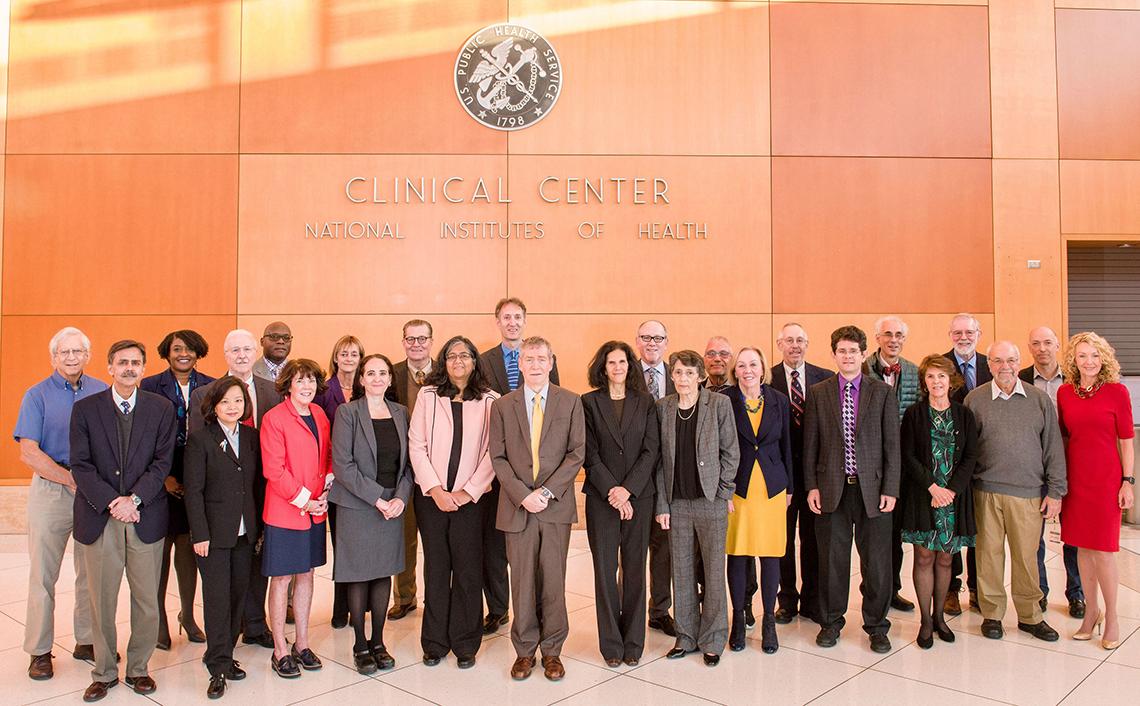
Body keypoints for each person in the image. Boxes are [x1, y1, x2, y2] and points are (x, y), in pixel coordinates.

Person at [70, 340, 177, 702]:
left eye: (135, 362)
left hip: (145, 515)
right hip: (100, 517)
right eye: (122, 362)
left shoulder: (161, 408)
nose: (129, 368)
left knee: (146, 599)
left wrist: (134, 500)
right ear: (110, 368)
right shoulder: (85, 409)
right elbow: (81, 464)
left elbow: (162, 462)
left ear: (143, 368)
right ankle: (103, 671)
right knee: (101, 600)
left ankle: (138, 668)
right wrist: (113, 502)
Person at [15, 327, 108, 681]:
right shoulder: (36, 395)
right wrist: (69, 479)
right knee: (43, 574)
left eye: (77, 351)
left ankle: (87, 640)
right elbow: (28, 451)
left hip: (92, 491)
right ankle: (39, 650)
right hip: (51, 489)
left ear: (88, 355)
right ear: (54, 357)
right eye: (64, 352)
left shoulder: (102, 391)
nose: (71, 357)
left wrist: (92, 484)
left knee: (91, 572)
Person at [489, 336, 584, 682]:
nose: (535, 364)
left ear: (551, 362)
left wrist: (545, 491)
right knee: (523, 581)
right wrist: (522, 495)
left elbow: (576, 453)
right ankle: (525, 650)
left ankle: (553, 650)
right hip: (518, 507)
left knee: (554, 582)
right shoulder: (502, 406)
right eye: (528, 359)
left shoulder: (571, 402)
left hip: (554, 506)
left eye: (541, 358)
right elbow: (498, 457)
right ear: (520, 363)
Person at [804, 326, 900, 654]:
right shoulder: (819, 392)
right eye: (842, 351)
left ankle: (877, 625)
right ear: (834, 355)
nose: (847, 356)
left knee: (877, 563)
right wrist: (812, 486)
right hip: (832, 489)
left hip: (873, 490)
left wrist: (891, 488)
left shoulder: (882, 392)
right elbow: (810, 444)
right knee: (832, 561)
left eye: (853, 351)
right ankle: (831, 622)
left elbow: (892, 445)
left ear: (863, 354)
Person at [965, 341, 1065, 643]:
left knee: (1027, 558)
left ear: (1019, 363)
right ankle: (992, 614)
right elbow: (966, 451)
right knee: (988, 556)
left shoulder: (1038, 400)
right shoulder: (975, 399)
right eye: (997, 361)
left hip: (1028, 494)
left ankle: (1030, 616)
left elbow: (1053, 447)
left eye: (1010, 360)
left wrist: (1056, 491)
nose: (1004, 367)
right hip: (985, 492)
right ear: (989, 365)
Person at [189, 329, 282, 650]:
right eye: (234, 350)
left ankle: (255, 624)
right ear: (225, 354)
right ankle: (226, 638)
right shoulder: (205, 394)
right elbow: (198, 450)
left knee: (255, 565)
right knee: (223, 579)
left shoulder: (272, 390)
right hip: (221, 499)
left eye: (246, 349)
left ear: (256, 352)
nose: (241, 355)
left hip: (262, 491)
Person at [409, 336, 498, 669]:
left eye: (465, 355)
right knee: (436, 568)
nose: (458, 360)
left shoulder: (491, 400)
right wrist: (435, 490)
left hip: (471, 501)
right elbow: (416, 445)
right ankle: (434, 642)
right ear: (443, 362)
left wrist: (466, 493)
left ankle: (465, 643)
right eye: (451, 356)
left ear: (475, 361)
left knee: (467, 570)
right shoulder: (428, 396)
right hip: (431, 499)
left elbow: (493, 452)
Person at [478, 298, 560, 635]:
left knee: (536, 551)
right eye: (506, 317)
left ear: (525, 320)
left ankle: (537, 611)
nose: (512, 322)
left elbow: (556, 413)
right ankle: (499, 608)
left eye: (517, 317)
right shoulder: (484, 361)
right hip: (498, 468)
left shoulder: (542, 358)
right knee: (495, 545)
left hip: (537, 475)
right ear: (497, 321)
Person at [330, 354, 413, 673]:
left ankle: (378, 641)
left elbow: (409, 464)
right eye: (371, 373)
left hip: (393, 505)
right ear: (361, 379)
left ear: (390, 379)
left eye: (383, 373)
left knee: (382, 572)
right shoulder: (348, 412)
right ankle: (360, 644)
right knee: (359, 574)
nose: (377, 378)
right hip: (358, 505)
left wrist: (400, 498)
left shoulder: (401, 413)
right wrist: (378, 499)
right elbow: (343, 466)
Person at [655, 350, 738, 667]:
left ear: (701, 376)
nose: (683, 378)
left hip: (710, 501)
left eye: (690, 373)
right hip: (677, 503)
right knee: (682, 571)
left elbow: (731, 452)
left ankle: (713, 639)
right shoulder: (663, 408)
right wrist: (663, 503)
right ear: (671, 375)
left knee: (714, 572)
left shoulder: (719, 404)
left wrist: (723, 492)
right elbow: (659, 462)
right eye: (678, 372)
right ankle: (686, 636)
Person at [581, 341, 660, 667]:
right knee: (604, 571)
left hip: (639, 497)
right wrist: (613, 491)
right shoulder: (588, 402)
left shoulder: (646, 401)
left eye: (623, 362)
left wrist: (627, 490)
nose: (617, 367)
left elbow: (651, 451)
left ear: (630, 366)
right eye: (611, 362)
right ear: (603, 366)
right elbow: (588, 453)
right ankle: (611, 645)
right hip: (602, 499)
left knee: (635, 570)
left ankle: (633, 643)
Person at [183, 377, 262, 699]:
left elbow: (257, 485)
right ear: (214, 406)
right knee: (217, 600)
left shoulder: (252, 437)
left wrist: (260, 529)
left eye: (238, 400)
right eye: (226, 401)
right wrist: (199, 534)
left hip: (245, 533)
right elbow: (193, 492)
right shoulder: (200, 440)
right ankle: (217, 666)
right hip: (213, 535)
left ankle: (224, 653)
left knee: (237, 596)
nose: (233, 407)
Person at [1057, 332, 1135, 650]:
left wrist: (1127, 481)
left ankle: (1112, 616)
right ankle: (1091, 612)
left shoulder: (1117, 392)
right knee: (1082, 550)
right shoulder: (1065, 393)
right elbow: (1064, 438)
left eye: (1094, 355)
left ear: (1103, 359)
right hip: (1076, 481)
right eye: (1082, 356)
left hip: (1106, 481)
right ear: (1073, 361)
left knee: (1103, 551)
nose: (1088, 361)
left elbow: (1126, 441)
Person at [899, 355, 979, 649]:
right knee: (924, 557)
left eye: (941, 376)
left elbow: (970, 456)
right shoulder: (914, 414)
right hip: (924, 495)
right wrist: (933, 488)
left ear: (951, 380)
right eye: (931, 376)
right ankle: (924, 621)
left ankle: (939, 617)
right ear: (924, 381)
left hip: (953, 499)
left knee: (946, 558)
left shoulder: (964, 415)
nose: (936, 382)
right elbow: (908, 456)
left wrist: (951, 491)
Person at [141, 329, 214, 650]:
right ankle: (159, 620)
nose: (184, 354)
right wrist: (163, 478)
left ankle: (188, 615)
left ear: (199, 353)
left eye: (190, 349)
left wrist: (198, 481)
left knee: (188, 551)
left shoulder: (211, 385)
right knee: (160, 553)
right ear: (166, 353)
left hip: (196, 476)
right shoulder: (149, 386)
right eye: (177, 349)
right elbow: (143, 437)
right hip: (159, 475)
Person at [259, 359, 332, 678]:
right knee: (282, 579)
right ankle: (280, 649)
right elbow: (274, 470)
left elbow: (328, 456)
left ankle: (302, 643)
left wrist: (325, 492)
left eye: (311, 380)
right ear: (288, 384)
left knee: (306, 575)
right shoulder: (274, 418)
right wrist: (306, 500)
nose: (307, 386)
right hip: (286, 512)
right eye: (300, 380)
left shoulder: (319, 414)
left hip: (315, 511)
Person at [722, 347, 792, 655]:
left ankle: (769, 623)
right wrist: (722, 490)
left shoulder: (779, 400)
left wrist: (790, 488)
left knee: (770, 555)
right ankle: (738, 619)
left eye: (753, 364)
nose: (748, 370)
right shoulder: (724, 400)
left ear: (763, 369)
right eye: (741, 365)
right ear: (734, 371)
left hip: (772, 488)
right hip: (737, 489)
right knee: (738, 554)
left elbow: (788, 445)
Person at [1021, 326, 1085, 618]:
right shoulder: (1021, 379)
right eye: (1036, 343)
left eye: (1048, 342)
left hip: (1073, 465)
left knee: (1074, 535)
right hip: (1034, 467)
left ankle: (1077, 593)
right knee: (1034, 536)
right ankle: (1040, 592)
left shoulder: (1076, 379)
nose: (1042, 348)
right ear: (1030, 348)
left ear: (1058, 345)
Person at [770, 323, 831, 625]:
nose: (795, 345)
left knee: (813, 539)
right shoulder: (768, 378)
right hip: (780, 473)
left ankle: (812, 599)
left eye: (800, 340)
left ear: (807, 344)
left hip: (815, 474)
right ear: (779, 344)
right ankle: (787, 600)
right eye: (789, 340)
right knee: (782, 539)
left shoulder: (826, 377)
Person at [866, 316, 919, 613]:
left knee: (895, 533)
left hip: (902, 466)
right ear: (877, 338)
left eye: (899, 334)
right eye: (888, 334)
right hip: (870, 464)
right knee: (873, 535)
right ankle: (873, 590)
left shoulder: (913, 371)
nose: (893, 339)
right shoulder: (863, 369)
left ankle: (892, 590)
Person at [942, 312, 992, 615]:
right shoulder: (941, 366)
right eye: (958, 332)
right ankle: (951, 588)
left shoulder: (992, 364)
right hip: (950, 461)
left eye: (969, 332)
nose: (964, 337)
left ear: (978, 334)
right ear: (950, 335)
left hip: (985, 460)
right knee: (952, 526)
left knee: (978, 530)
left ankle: (977, 588)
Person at [313, 334, 364, 629]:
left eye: (354, 354)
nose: (348, 359)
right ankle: (340, 607)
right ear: (335, 357)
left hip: (363, 477)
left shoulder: (366, 388)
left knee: (358, 545)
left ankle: (359, 604)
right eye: (343, 353)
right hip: (333, 477)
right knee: (340, 544)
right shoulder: (323, 390)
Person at [386, 320, 434, 623]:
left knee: (435, 541)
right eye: (411, 339)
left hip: (437, 473)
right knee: (403, 539)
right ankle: (404, 597)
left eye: (422, 338)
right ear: (403, 342)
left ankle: (438, 597)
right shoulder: (391, 374)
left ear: (431, 341)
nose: (416, 344)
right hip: (402, 470)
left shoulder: (445, 372)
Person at [637, 319, 678, 637]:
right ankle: (631, 610)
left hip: (669, 477)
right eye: (646, 337)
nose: (652, 343)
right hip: (634, 477)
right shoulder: (625, 374)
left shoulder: (679, 376)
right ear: (637, 341)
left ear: (666, 342)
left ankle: (660, 610)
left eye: (658, 338)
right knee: (632, 549)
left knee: (664, 548)